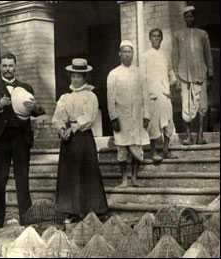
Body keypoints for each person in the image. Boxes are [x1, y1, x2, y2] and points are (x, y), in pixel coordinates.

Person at [0, 53, 45, 229]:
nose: (8, 69)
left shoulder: (26, 87)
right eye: (4, 66)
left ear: (16, 66)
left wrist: (34, 108)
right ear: (0, 67)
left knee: (22, 179)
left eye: (11, 65)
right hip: (1, 140)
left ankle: (27, 218)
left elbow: (38, 110)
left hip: (21, 139)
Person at [52, 58, 108, 224]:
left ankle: (93, 209)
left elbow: (89, 117)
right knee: (70, 175)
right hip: (68, 140)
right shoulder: (65, 97)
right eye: (73, 76)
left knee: (86, 173)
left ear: (84, 78)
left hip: (83, 139)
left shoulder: (90, 96)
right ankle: (71, 210)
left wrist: (74, 127)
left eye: (79, 76)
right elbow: (58, 116)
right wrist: (62, 129)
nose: (75, 79)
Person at [107, 40, 150, 187]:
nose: (127, 55)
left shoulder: (139, 72)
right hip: (121, 117)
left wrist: (147, 115)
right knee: (122, 148)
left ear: (133, 54)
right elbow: (110, 98)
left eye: (129, 52)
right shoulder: (113, 74)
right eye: (124, 52)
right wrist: (113, 117)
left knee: (137, 147)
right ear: (120, 54)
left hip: (137, 116)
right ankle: (124, 179)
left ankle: (134, 178)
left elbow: (146, 94)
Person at [172, 5, 213, 145]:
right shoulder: (178, 35)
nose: (190, 18)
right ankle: (189, 136)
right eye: (187, 16)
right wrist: (177, 77)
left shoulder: (202, 34)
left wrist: (210, 75)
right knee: (186, 106)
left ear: (195, 17)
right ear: (184, 18)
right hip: (184, 77)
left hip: (200, 75)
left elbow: (208, 55)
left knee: (202, 106)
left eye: (192, 16)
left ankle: (200, 135)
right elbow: (175, 57)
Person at [140, 28, 178, 162]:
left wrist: (172, 85)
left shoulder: (165, 55)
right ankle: (154, 152)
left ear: (161, 39)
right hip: (153, 95)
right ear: (150, 39)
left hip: (165, 94)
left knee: (168, 122)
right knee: (154, 124)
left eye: (158, 36)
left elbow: (171, 73)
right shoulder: (145, 56)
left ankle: (166, 150)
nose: (156, 39)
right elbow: (142, 77)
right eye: (154, 36)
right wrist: (147, 94)